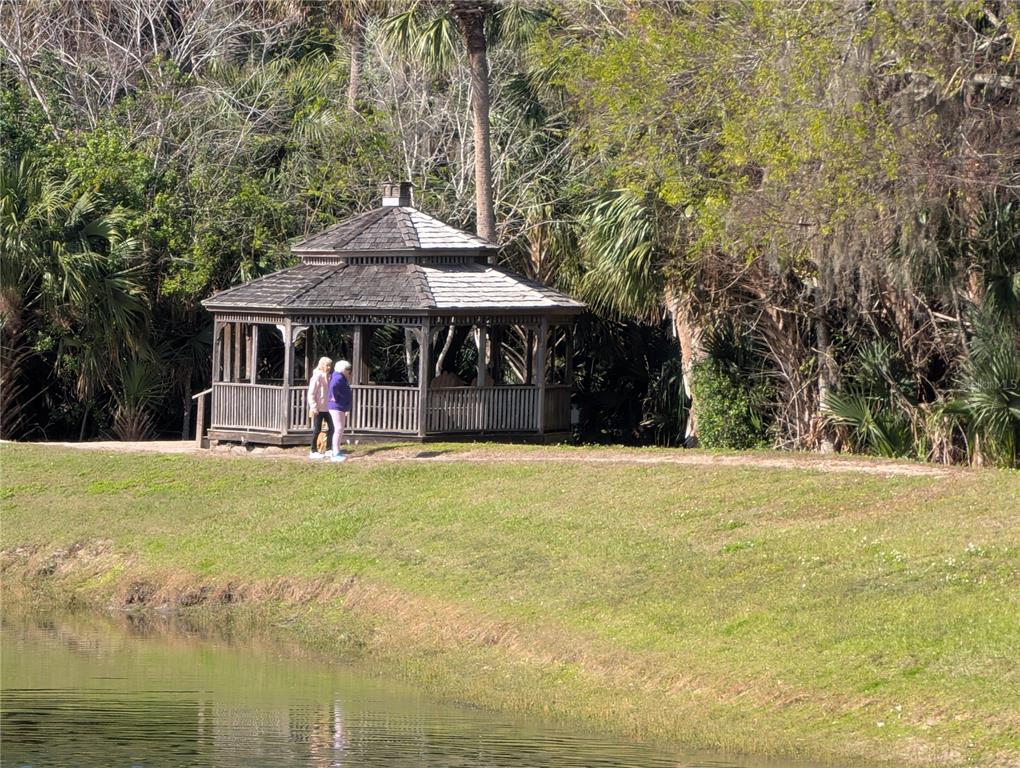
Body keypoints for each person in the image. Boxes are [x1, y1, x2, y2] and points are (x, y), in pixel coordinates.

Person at [307, 356, 333, 459]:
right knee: (317, 429)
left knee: (332, 428)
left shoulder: (330, 377)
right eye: (327, 365)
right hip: (318, 408)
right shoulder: (317, 376)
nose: (329, 367)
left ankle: (329, 449)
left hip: (328, 408)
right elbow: (311, 393)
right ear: (322, 365)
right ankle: (313, 450)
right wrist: (313, 407)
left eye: (330, 365)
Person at [328, 360, 353, 462]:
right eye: (348, 369)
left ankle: (337, 450)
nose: (349, 371)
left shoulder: (342, 377)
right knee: (338, 429)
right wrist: (333, 397)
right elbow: (333, 386)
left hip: (341, 406)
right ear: (343, 369)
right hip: (336, 406)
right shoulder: (338, 377)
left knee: (340, 429)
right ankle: (335, 452)